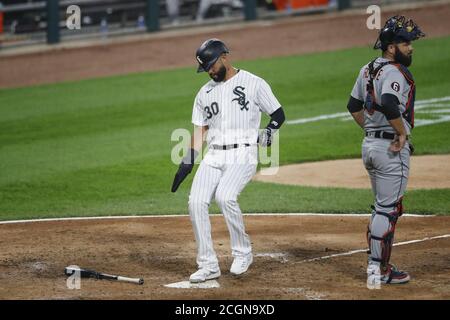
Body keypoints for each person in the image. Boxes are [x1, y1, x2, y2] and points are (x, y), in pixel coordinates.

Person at [171, 38, 285, 283]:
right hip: (213, 155)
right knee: (196, 202)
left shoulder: (253, 83)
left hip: (243, 154)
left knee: (225, 196)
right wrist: (188, 160)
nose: (210, 71)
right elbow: (200, 130)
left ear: (224, 56)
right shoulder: (204, 93)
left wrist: (269, 131)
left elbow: (278, 113)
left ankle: (243, 253)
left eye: (211, 65)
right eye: (206, 68)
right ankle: (208, 264)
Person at [346, 15, 425, 286]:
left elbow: (353, 105)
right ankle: (378, 269)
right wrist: (400, 133)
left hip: (370, 146)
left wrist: (370, 131)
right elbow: (391, 103)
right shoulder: (393, 71)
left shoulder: (366, 69)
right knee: (387, 209)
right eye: (406, 43)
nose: (411, 47)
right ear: (391, 46)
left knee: (382, 207)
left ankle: (377, 263)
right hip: (390, 149)